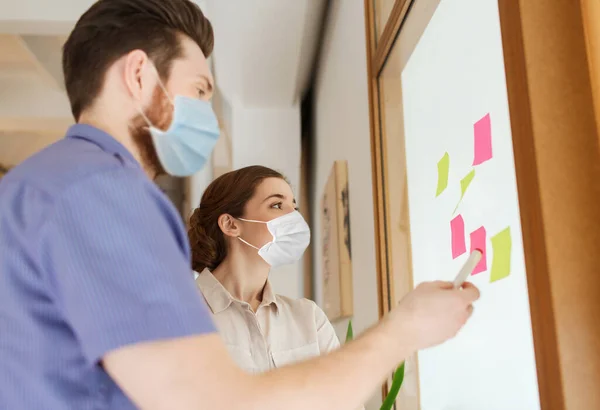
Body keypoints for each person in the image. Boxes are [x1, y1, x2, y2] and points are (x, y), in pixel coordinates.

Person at [0, 1, 480, 409]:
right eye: (200, 91)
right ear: (140, 73)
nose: (206, 115)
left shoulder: (43, 186)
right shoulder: (103, 192)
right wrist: (405, 331)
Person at [189, 166, 343, 373]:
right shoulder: (178, 313)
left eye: (294, 208)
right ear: (231, 224)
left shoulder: (309, 318)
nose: (294, 218)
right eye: (277, 205)